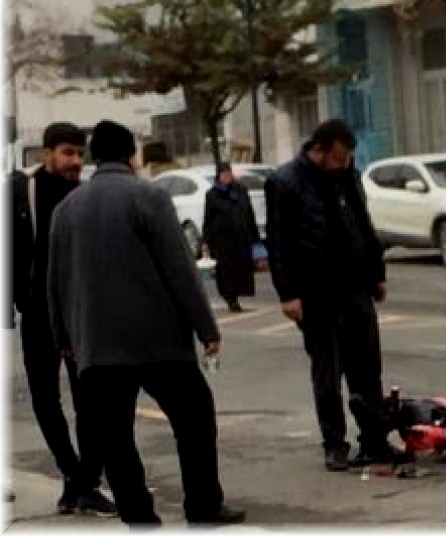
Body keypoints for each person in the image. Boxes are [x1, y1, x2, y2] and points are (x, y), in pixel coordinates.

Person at [46, 121, 245, 526]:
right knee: (194, 420)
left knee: (115, 439)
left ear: (95, 155)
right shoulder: (148, 197)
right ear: (130, 155)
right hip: (158, 341)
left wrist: (62, 336)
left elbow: (55, 280)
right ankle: (203, 505)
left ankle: (139, 517)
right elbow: (180, 270)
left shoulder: (66, 209)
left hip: (97, 348)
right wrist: (206, 328)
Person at [265, 119, 399, 472]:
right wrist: (288, 294)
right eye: (338, 158)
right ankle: (334, 444)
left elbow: (364, 224)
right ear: (320, 149)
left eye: (347, 158)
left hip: (356, 287)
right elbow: (277, 243)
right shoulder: (286, 182)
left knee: (368, 369)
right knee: (328, 372)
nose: (343, 164)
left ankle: (374, 438)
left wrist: (377, 272)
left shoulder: (347, 177)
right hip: (317, 293)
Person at [9, 123, 116, 516]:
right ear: (47, 154)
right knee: (45, 397)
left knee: (92, 400)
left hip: (81, 315)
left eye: (80, 154)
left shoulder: (85, 195)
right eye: (68, 152)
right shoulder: (21, 193)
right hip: (38, 315)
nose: (76, 161)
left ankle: (87, 481)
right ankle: (73, 476)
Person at [203, 163, 259, 313]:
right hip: (223, 240)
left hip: (241, 237)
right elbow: (208, 218)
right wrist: (206, 241)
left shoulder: (240, 190)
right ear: (219, 176)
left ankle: (238, 294)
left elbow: (249, 213)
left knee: (241, 268)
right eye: (224, 174)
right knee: (226, 270)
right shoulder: (212, 194)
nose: (227, 176)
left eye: (229, 173)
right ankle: (230, 299)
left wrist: (254, 235)